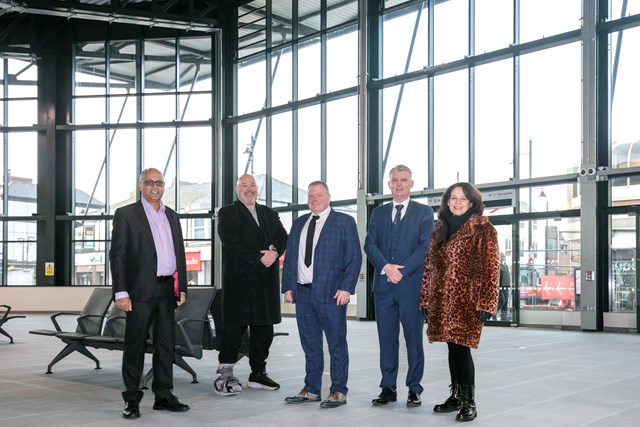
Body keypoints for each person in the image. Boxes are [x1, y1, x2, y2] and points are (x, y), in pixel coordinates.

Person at [110, 167, 190, 419]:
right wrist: (120, 292)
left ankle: (163, 395)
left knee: (165, 346)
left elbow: (180, 255)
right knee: (134, 346)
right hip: (138, 292)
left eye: (159, 182)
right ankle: (131, 399)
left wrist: (182, 287)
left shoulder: (173, 216)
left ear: (164, 186)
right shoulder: (126, 214)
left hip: (167, 290)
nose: (155, 187)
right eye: (150, 182)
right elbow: (118, 256)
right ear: (141, 185)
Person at [419, 182, 499, 422]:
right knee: (452, 348)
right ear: (446, 202)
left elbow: (491, 268)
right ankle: (455, 396)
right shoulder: (438, 229)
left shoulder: (484, 230)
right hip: (442, 299)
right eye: (453, 198)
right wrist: (425, 299)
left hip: (467, 300)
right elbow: (428, 267)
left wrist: (487, 302)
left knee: (462, 349)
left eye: (463, 198)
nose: (457, 202)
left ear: (472, 202)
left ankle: (469, 401)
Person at [281, 181, 362, 409]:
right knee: (310, 344)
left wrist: (346, 288)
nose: (314, 199)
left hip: (332, 294)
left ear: (328, 196)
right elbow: (290, 258)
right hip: (303, 294)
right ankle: (311, 389)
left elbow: (354, 257)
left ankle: (338, 390)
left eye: (319, 194)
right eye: (311, 195)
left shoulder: (344, 222)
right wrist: (288, 285)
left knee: (336, 344)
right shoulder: (299, 224)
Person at [363, 165, 434, 407]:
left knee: (413, 339)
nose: (399, 184)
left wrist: (402, 272)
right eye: (394, 180)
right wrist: (386, 267)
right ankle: (388, 387)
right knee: (387, 340)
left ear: (411, 184)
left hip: (410, 287)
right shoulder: (378, 214)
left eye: (404, 180)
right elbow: (370, 244)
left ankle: (414, 388)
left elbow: (426, 246)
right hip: (383, 288)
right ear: (389, 184)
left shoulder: (424, 213)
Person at [214, 174, 288, 396]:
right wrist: (260, 257)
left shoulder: (270, 213)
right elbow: (231, 240)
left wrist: (274, 253)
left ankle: (258, 373)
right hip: (240, 282)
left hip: (265, 285)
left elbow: (283, 237)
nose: (249, 189)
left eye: (252, 185)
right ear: (237, 191)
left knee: (264, 329)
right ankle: (224, 374)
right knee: (234, 328)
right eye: (244, 185)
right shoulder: (228, 213)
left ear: (257, 189)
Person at [493, 253, 511, 321]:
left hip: (506, 286)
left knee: (505, 302)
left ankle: (504, 317)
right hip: (499, 287)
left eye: (504, 256)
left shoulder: (505, 266)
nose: (503, 257)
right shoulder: (498, 265)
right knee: (501, 301)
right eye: (502, 256)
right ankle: (494, 313)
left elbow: (507, 276)